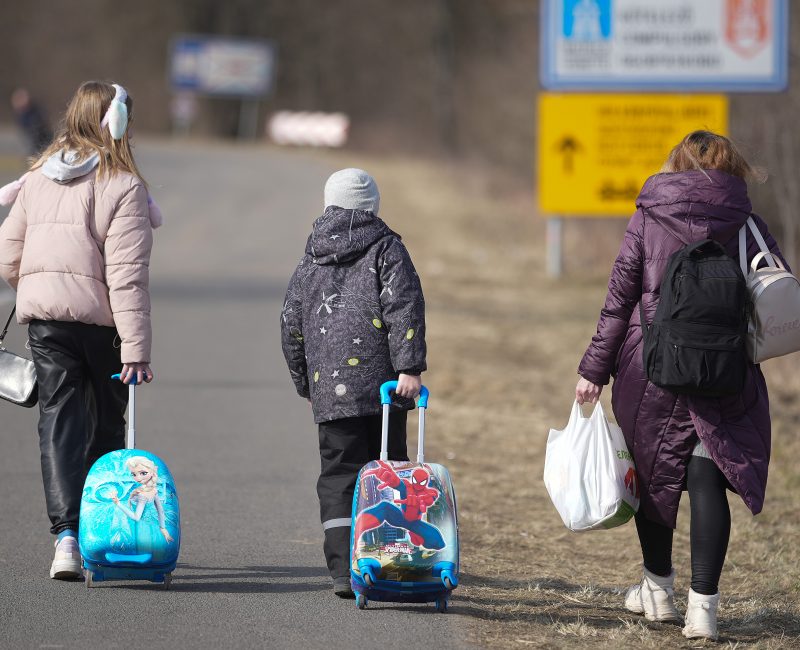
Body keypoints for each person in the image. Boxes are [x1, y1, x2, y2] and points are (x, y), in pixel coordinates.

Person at [575, 131, 785, 641]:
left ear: (675, 167)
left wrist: (593, 371)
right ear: (732, 167)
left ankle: (658, 591)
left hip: (651, 368)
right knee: (707, 478)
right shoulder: (746, 222)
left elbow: (618, 299)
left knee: (654, 476)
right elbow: (776, 292)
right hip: (724, 371)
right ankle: (704, 610)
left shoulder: (649, 217)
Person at [0, 81, 162, 580]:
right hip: (103, 325)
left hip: (46, 323)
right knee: (108, 428)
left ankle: (66, 539)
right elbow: (126, 275)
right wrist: (136, 349)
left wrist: (38, 289)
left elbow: (9, 254)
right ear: (118, 124)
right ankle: (104, 530)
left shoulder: (37, 177)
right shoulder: (124, 185)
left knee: (59, 422)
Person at [280, 168, 427, 598]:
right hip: (385, 390)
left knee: (339, 475)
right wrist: (410, 367)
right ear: (373, 207)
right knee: (389, 469)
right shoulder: (387, 249)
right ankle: (387, 558)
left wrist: (305, 383)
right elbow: (404, 306)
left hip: (330, 391)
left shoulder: (311, 257)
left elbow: (291, 323)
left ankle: (344, 568)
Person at [10, 88, 53, 156]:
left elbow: (43, 125)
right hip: (31, 142)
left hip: (43, 140)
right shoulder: (20, 115)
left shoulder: (36, 111)